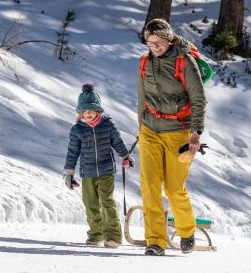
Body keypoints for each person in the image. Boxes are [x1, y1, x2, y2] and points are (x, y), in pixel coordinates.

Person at [137, 18, 207, 256]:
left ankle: (187, 231)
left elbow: (199, 100)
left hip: (179, 132)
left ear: (168, 39)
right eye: (149, 42)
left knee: (174, 188)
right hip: (149, 131)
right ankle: (155, 240)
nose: (154, 47)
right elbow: (141, 98)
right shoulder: (145, 62)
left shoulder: (184, 62)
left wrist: (196, 134)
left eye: (158, 42)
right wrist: (141, 126)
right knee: (149, 186)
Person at [63, 83, 135, 248]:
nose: (88, 114)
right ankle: (96, 234)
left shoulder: (108, 125)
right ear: (80, 112)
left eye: (91, 110)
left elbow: (117, 142)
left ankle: (113, 236)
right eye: (85, 111)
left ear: (98, 110)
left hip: (106, 170)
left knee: (106, 201)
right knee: (91, 203)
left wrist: (125, 156)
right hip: (87, 172)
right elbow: (72, 152)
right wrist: (68, 173)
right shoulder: (77, 130)